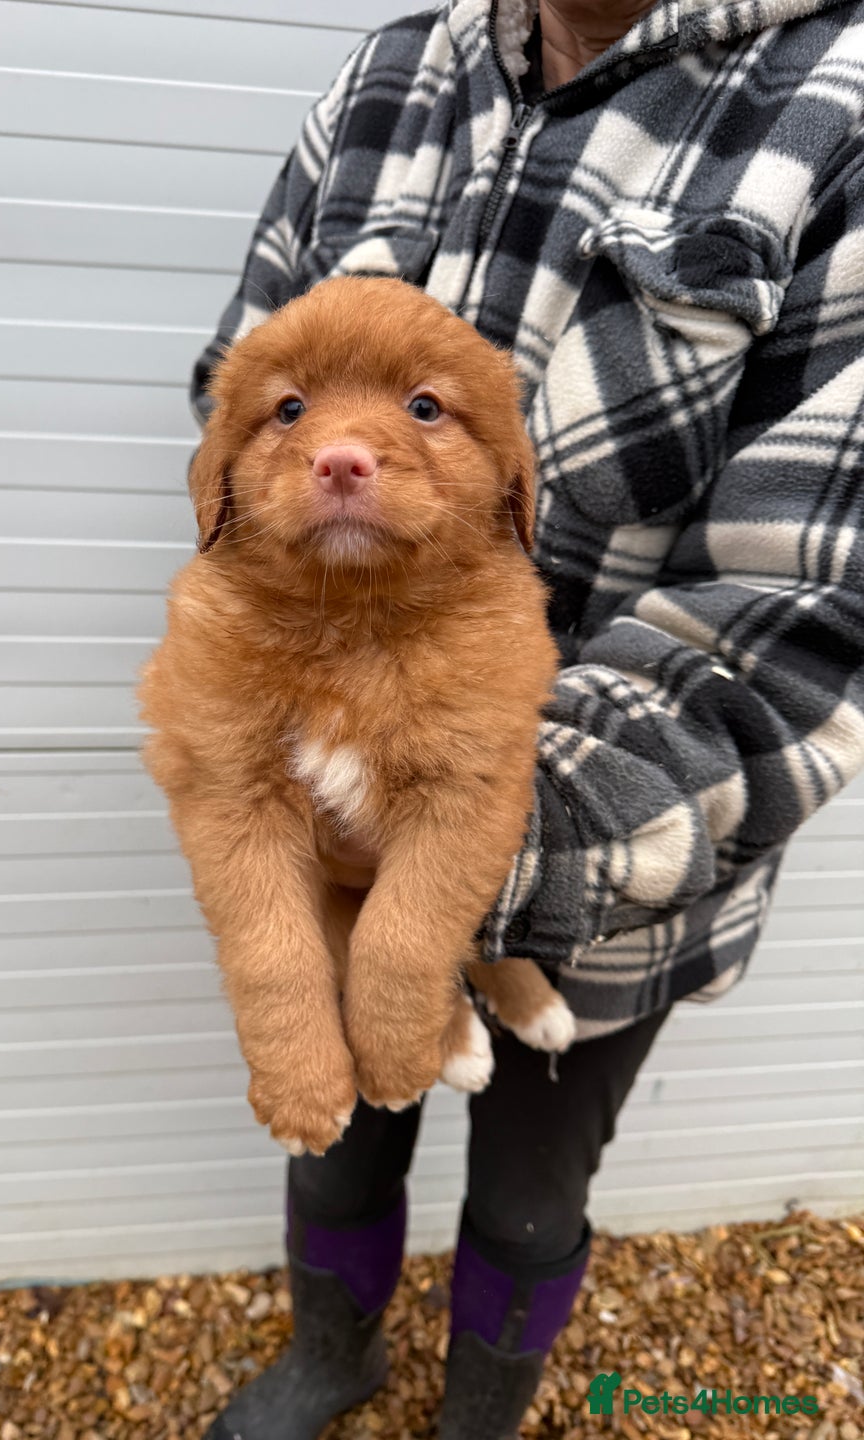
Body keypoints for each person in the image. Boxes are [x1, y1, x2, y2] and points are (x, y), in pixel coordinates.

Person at [187, 1, 864, 1436]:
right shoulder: (392, 75)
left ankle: (481, 1416)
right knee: (332, 1113)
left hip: (624, 864)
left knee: (531, 1182)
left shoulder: (838, 110)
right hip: (314, 760)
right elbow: (238, 395)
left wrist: (456, 832)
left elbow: (799, 617)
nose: (352, 444)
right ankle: (334, 1354)